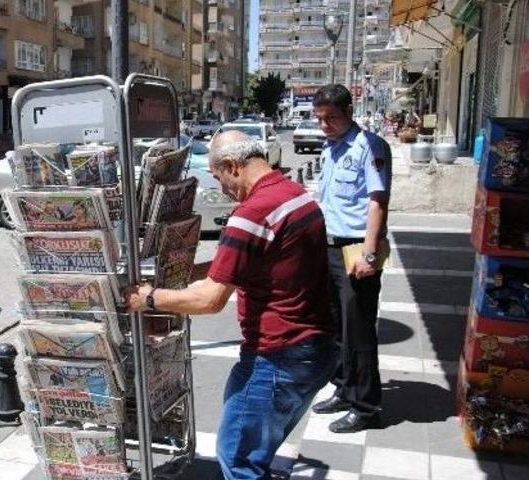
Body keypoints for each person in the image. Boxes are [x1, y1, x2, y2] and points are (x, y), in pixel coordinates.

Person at [126, 130, 336, 480]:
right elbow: (255, 260)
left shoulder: (251, 213)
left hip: (277, 357)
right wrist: (186, 272)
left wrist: (148, 298)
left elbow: (210, 301)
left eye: (218, 176)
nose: (221, 187)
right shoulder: (295, 195)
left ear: (232, 166)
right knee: (258, 448)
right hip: (315, 349)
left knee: (238, 456)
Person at [310, 84, 392, 433]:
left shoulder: (370, 147)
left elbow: (377, 202)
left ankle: (366, 406)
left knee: (359, 331)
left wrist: (370, 255)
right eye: (320, 118)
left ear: (349, 112)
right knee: (337, 326)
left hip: (356, 249)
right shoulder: (330, 149)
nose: (325, 124)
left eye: (331, 117)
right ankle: (344, 389)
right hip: (328, 247)